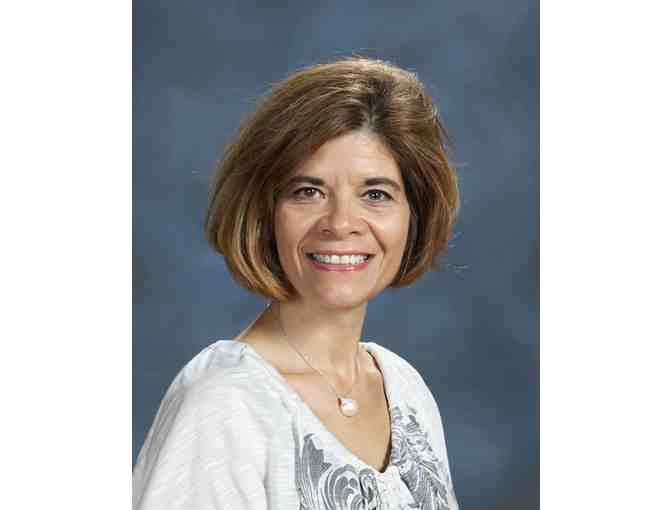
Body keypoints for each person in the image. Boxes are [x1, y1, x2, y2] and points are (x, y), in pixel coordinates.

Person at [133, 56, 461, 510]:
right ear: (264, 212)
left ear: (414, 215)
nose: (341, 223)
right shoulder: (225, 402)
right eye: (308, 192)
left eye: (376, 194)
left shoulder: (405, 390)